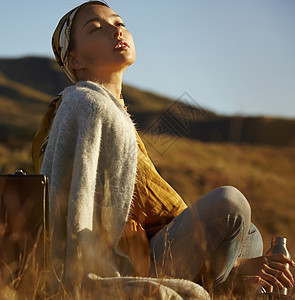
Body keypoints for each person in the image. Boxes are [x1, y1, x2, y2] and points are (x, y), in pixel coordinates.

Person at [32, 1, 295, 298]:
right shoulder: (86, 105)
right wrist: (235, 262)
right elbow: (87, 214)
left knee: (250, 233)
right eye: (96, 28)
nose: (115, 30)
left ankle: (228, 277)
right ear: (75, 60)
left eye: (119, 22)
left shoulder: (117, 114)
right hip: (135, 258)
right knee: (231, 205)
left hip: (157, 243)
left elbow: (147, 204)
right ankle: (229, 277)